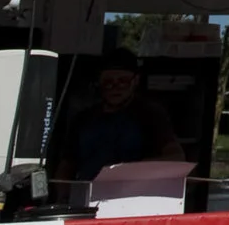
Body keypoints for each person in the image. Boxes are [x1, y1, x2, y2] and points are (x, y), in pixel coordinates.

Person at [58, 47, 185, 183]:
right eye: (108, 82)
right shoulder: (83, 118)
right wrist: (62, 193)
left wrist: (131, 169)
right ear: (99, 83)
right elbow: (67, 164)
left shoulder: (150, 114)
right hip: (87, 192)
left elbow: (176, 157)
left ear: (135, 81)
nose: (115, 87)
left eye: (123, 81)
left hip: (134, 193)